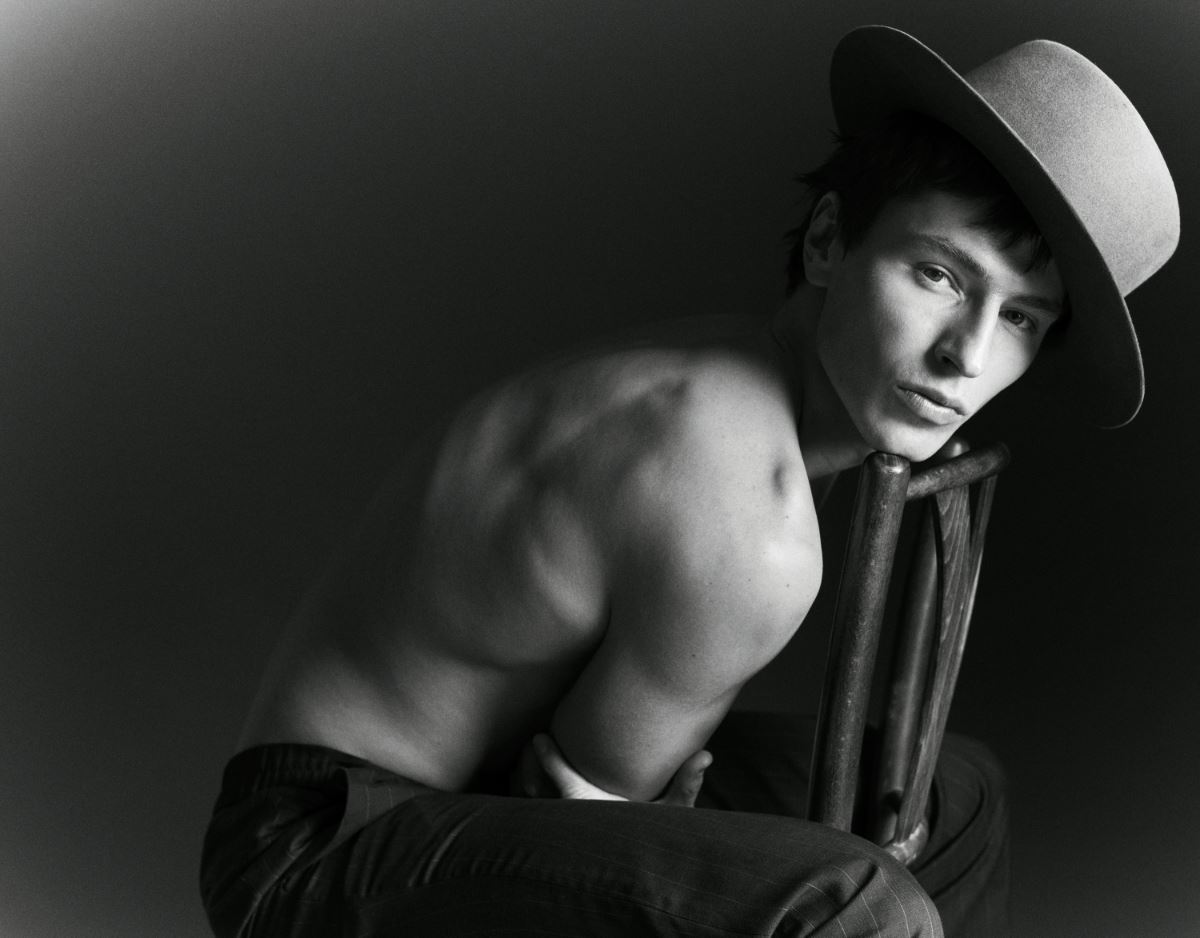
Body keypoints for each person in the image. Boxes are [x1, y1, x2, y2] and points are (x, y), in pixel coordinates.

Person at [199, 25, 1178, 938]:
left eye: (1021, 318)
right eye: (941, 275)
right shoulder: (746, 509)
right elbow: (574, 820)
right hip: (313, 847)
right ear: (830, 241)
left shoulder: (751, 380)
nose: (967, 354)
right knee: (858, 905)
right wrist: (701, 834)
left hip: (474, 784)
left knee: (957, 793)